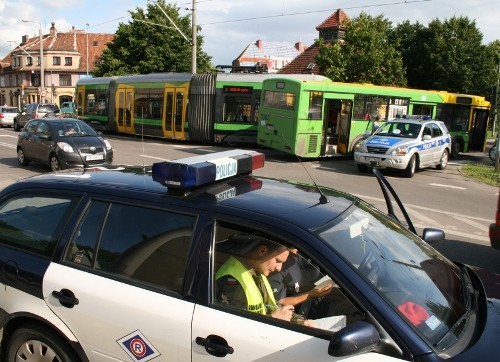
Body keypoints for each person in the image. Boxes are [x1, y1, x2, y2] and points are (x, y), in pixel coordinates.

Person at [215, 236, 296, 322]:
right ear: (262, 251)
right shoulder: (233, 281)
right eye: (278, 261)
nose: (279, 268)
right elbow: (231, 325)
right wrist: (273, 318)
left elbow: (270, 306)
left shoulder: (257, 272)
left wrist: (298, 321)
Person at [268, 248, 334, 315]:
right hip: (303, 308)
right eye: (278, 261)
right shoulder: (275, 271)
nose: (278, 267)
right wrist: (310, 294)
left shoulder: (311, 250)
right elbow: (279, 303)